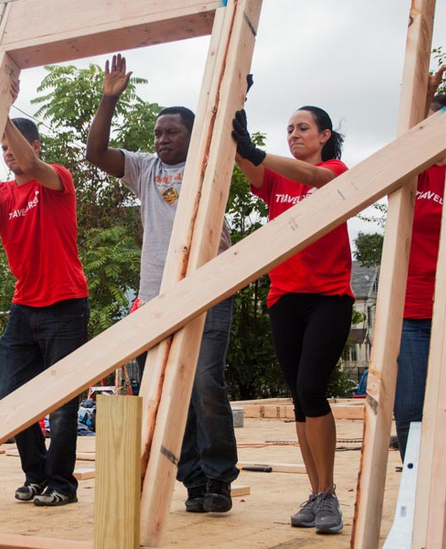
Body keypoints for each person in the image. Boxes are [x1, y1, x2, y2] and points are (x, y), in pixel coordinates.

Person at [85, 54, 239, 513]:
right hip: (157, 295)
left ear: (193, 136)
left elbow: (222, 132)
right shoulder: (145, 168)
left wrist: (237, 96)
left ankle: (219, 479)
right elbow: (95, 153)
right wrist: (108, 100)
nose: (162, 139)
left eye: (171, 132)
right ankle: (192, 481)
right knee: (166, 389)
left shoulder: (209, 164)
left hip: (209, 289)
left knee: (205, 384)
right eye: (157, 133)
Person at [232, 105, 352, 534]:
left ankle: (330, 494)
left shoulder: (336, 169)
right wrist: (236, 130)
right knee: (300, 399)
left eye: (303, 128)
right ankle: (316, 493)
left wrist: (256, 151)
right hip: (284, 297)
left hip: (328, 299)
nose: (294, 134)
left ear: (324, 135)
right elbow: (247, 163)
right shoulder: (278, 179)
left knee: (311, 389)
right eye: (289, 130)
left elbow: (316, 179)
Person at [0, 78, 89, 507]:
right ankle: (37, 475)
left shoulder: (55, 179)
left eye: (14, 147)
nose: (9, 156)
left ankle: (62, 484)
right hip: (24, 307)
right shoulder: (1, 193)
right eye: (3, 150)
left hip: (65, 304)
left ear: (35, 146)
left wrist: (1, 112)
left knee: (61, 405)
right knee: (10, 399)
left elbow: (31, 162)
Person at [394, 67, 446, 535]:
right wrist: (419, 98)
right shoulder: (416, 169)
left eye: (438, 118)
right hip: (417, 310)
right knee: (409, 412)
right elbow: (399, 147)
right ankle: (418, 505)